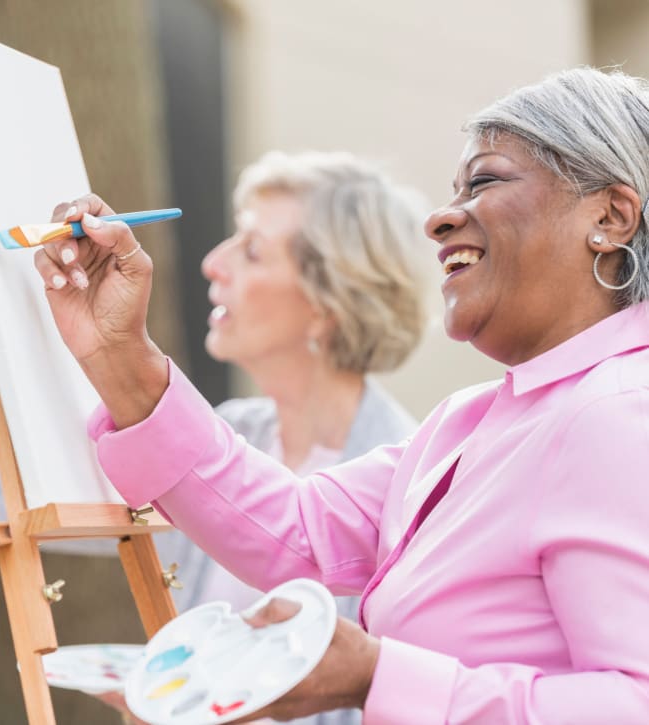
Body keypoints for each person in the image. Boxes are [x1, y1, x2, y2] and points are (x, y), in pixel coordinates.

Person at [35, 65, 649, 723]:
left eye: (486, 181)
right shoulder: (471, 421)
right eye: (454, 190)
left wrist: (377, 675)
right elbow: (294, 528)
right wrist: (116, 351)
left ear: (610, 217)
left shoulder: (614, 413)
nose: (442, 219)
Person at [151, 150, 431, 725]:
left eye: (252, 250)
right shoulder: (227, 433)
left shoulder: (411, 483)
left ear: (328, 303)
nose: (212, 263)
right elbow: (45, 499)